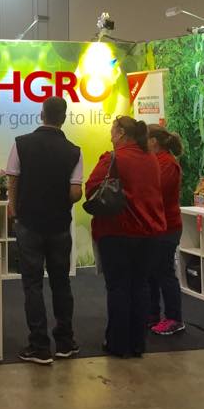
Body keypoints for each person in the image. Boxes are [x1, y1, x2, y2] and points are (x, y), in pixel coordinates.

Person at [5, 96, 84, 365]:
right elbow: (75, 193)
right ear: (64, 118)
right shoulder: (74, 151)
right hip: (59, 225)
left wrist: (13, 208)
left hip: (29, 223)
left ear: (42, 114)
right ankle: (65, 342)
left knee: (33, 284)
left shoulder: (21, 144)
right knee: (61, 283)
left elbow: (12, 179)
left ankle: (39, 346)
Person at [86, 116, 165, 359]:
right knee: (140, 286)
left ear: (121, 133)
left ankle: (118, 343)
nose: (110, 135)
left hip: (117, 231)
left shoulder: (113, 159)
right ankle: (137, 342)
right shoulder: (151, 159)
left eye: (112, 130)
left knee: (118, 287)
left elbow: (91, 189)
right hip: (149, 232)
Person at [147, 124, 185, 336]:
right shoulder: (156, 161)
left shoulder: (168, 164)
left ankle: (174, 318)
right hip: (156, 226)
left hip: (167, 227)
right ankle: (152, 314)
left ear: (153, 141)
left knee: (164, 273)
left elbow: (156, 192)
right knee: (152, 273)